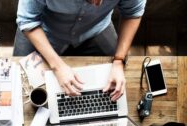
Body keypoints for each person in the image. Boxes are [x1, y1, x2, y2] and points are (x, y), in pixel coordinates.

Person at [14, 0, 147, 101]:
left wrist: (119, 61)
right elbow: (27, 19)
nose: (97, 3)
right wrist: (58, 67)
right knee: (18, 87)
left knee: (120, 84)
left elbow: (133, 13)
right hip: (42, 30)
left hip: (95, 30)